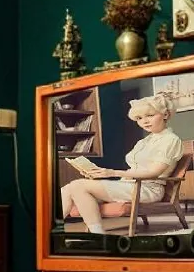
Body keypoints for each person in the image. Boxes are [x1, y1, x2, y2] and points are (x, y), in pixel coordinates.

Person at [61, 93, 183, 233]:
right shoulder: (143, 142)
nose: (144, 121)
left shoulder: (171, 140)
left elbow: (153, 173)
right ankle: (52, 230)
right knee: (69, 188)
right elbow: (134, 170)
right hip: (129, 184)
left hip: (147, 189)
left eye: (150, 115)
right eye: (139, 118)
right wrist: (95, 173)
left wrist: (112, 172)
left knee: (77, 185)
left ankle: (96, 234)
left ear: (165, 115)